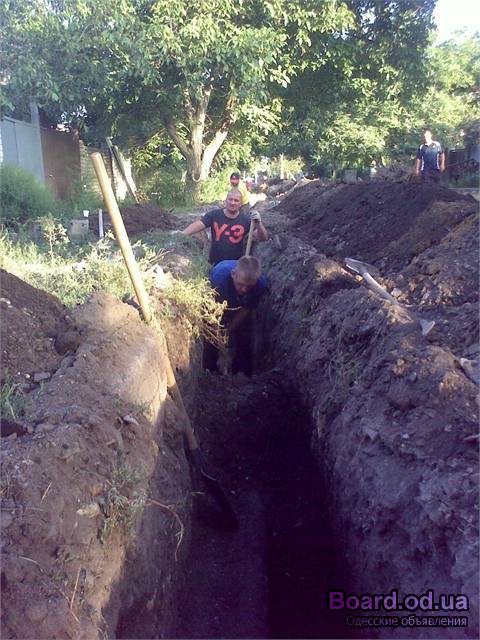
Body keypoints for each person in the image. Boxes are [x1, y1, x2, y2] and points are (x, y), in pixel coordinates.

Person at [206, 256, 267, 375]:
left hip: (237, 302)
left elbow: (245, 309)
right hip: (220, 294)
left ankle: (239, 368)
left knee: (242, 332)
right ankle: (210, 366)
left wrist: (228, 331)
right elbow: (212, 312)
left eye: (248, 287)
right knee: (211, 337)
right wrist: (219, 339)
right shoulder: (219, 280)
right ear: (233, 274)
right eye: (240, 284)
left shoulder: (260, 285)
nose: (244, 289)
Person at [182, 188, 268, 265]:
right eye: (230, 199)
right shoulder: (214, 215)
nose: (232, 203)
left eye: (236, 200)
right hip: (215, 264)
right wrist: (182, 234)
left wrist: (258, 223)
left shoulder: (245, 220)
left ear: (240, 203)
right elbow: (199, 224)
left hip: (235, 266)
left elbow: (263, 238)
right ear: (225, 201)